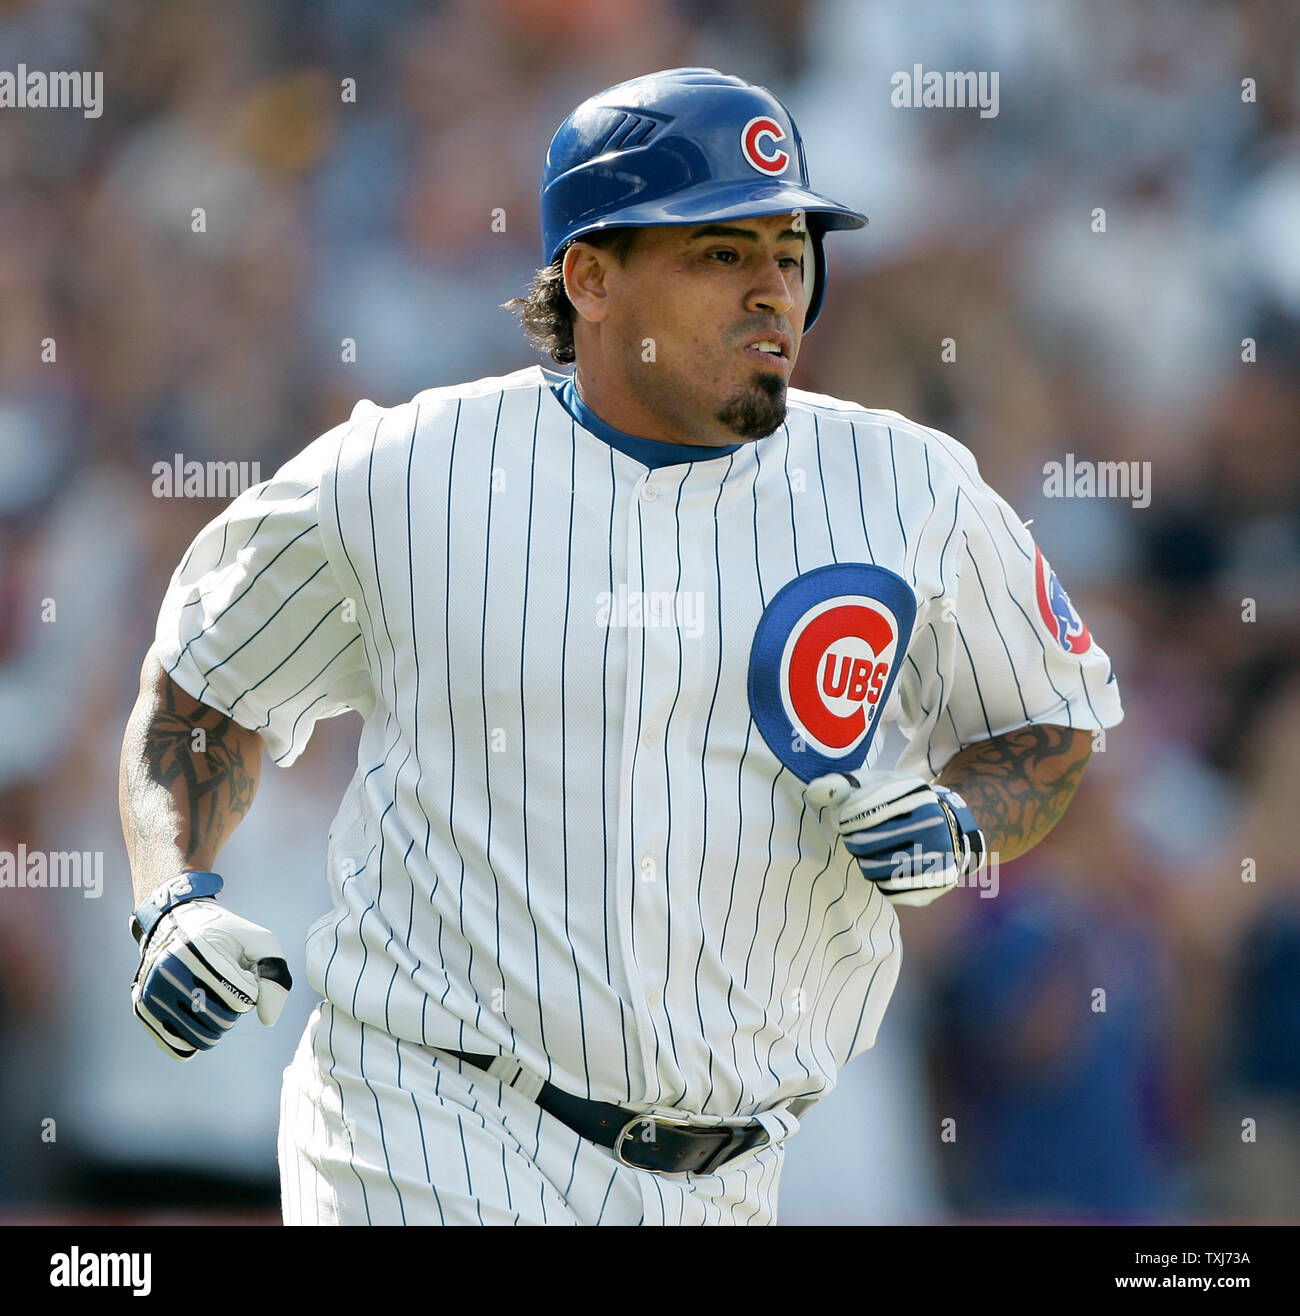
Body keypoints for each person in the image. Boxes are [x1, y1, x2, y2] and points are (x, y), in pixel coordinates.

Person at [118, 68, 1123, 1226]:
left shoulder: (909, 488)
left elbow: (1048, 721)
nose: (772, 292)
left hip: (736, 1166)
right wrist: (172, 897)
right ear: (588, 277)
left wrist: (963, 821)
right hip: (423, 1122)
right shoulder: (402, 474)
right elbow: (199, 695)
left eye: (789, 251)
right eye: (719, 253)